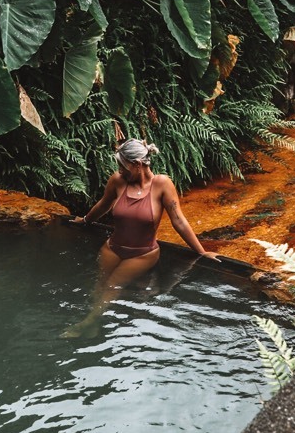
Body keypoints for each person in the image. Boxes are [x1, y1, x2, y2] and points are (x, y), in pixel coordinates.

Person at [62, 139, 220, 338]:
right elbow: (103, 205)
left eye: (122, 166)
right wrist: (85, 221)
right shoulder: (117, 181)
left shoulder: (162, 184)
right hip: (112, 247)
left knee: (113, 286)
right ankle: (95, 325)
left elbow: (178, 220)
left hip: (142, 254)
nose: (119, 171)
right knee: (98, 286)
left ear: (137, 164)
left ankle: (86, 324)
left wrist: (201, 252)